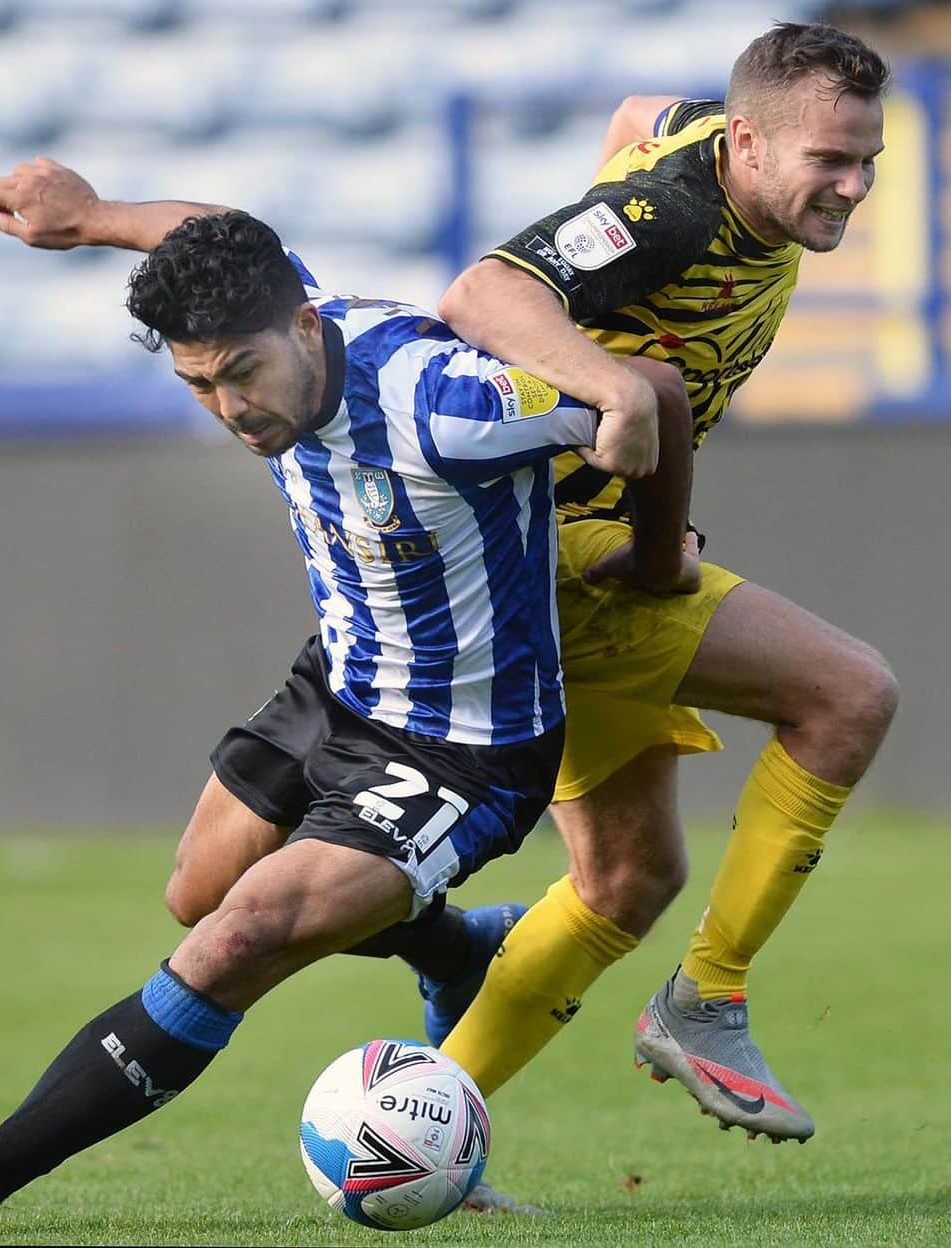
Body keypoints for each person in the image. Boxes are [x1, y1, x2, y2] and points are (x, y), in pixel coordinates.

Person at [0, 205, 671, 1234]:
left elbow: (651, 392)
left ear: (304, 327)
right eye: (197, 384)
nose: (227, 407)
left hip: (463, 751)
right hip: (342, 677)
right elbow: (211, 224)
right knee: (197, 893)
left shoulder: (449, 404)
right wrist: (90, 218)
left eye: (240, 374)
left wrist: (661, 555)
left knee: (237, 936)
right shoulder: (273, 316)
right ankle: (451, 951)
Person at [433, 20, 898, 1142]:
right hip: (568, 541)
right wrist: (619, 392)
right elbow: (479, 295)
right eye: (829, 162)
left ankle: (407, 1132)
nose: (855, 186)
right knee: (848, 695)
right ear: (746, 143)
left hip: (534, 554)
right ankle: (709, 999)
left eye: (867, 159)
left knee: (625, 880)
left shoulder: (705, 151)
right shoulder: (671, 216)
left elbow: (641, 114)